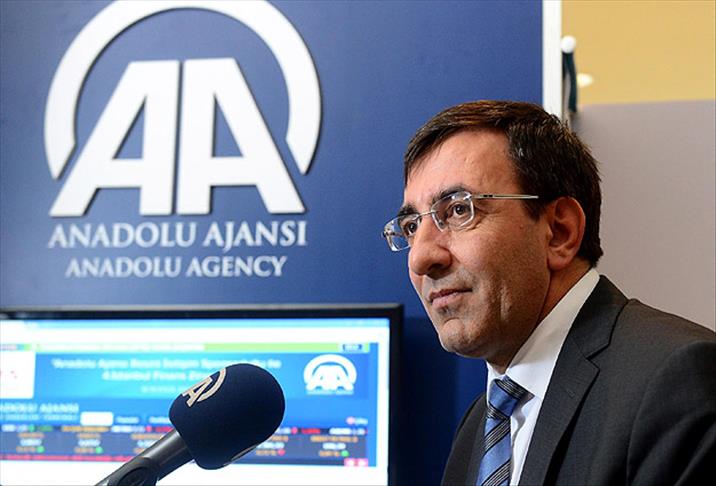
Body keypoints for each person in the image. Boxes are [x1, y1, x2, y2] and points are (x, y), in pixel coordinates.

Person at [382, 100, 716, 485]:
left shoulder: (677, 382)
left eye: (459, 210)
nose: (421, 257)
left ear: (559, 233)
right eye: (411, 227)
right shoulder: (479, 425)